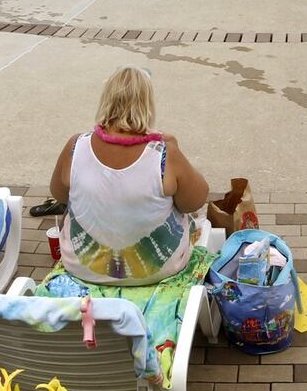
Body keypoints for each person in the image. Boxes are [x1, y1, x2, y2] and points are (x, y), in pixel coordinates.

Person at [48, 67, 209, 286]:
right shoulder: (164, 153)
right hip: (159, 270)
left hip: (82, 268)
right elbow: (195, 202)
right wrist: (175, 149)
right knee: (184, 211)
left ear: (106, 100)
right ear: (148, 105)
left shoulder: (76, 146)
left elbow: (59, 193)